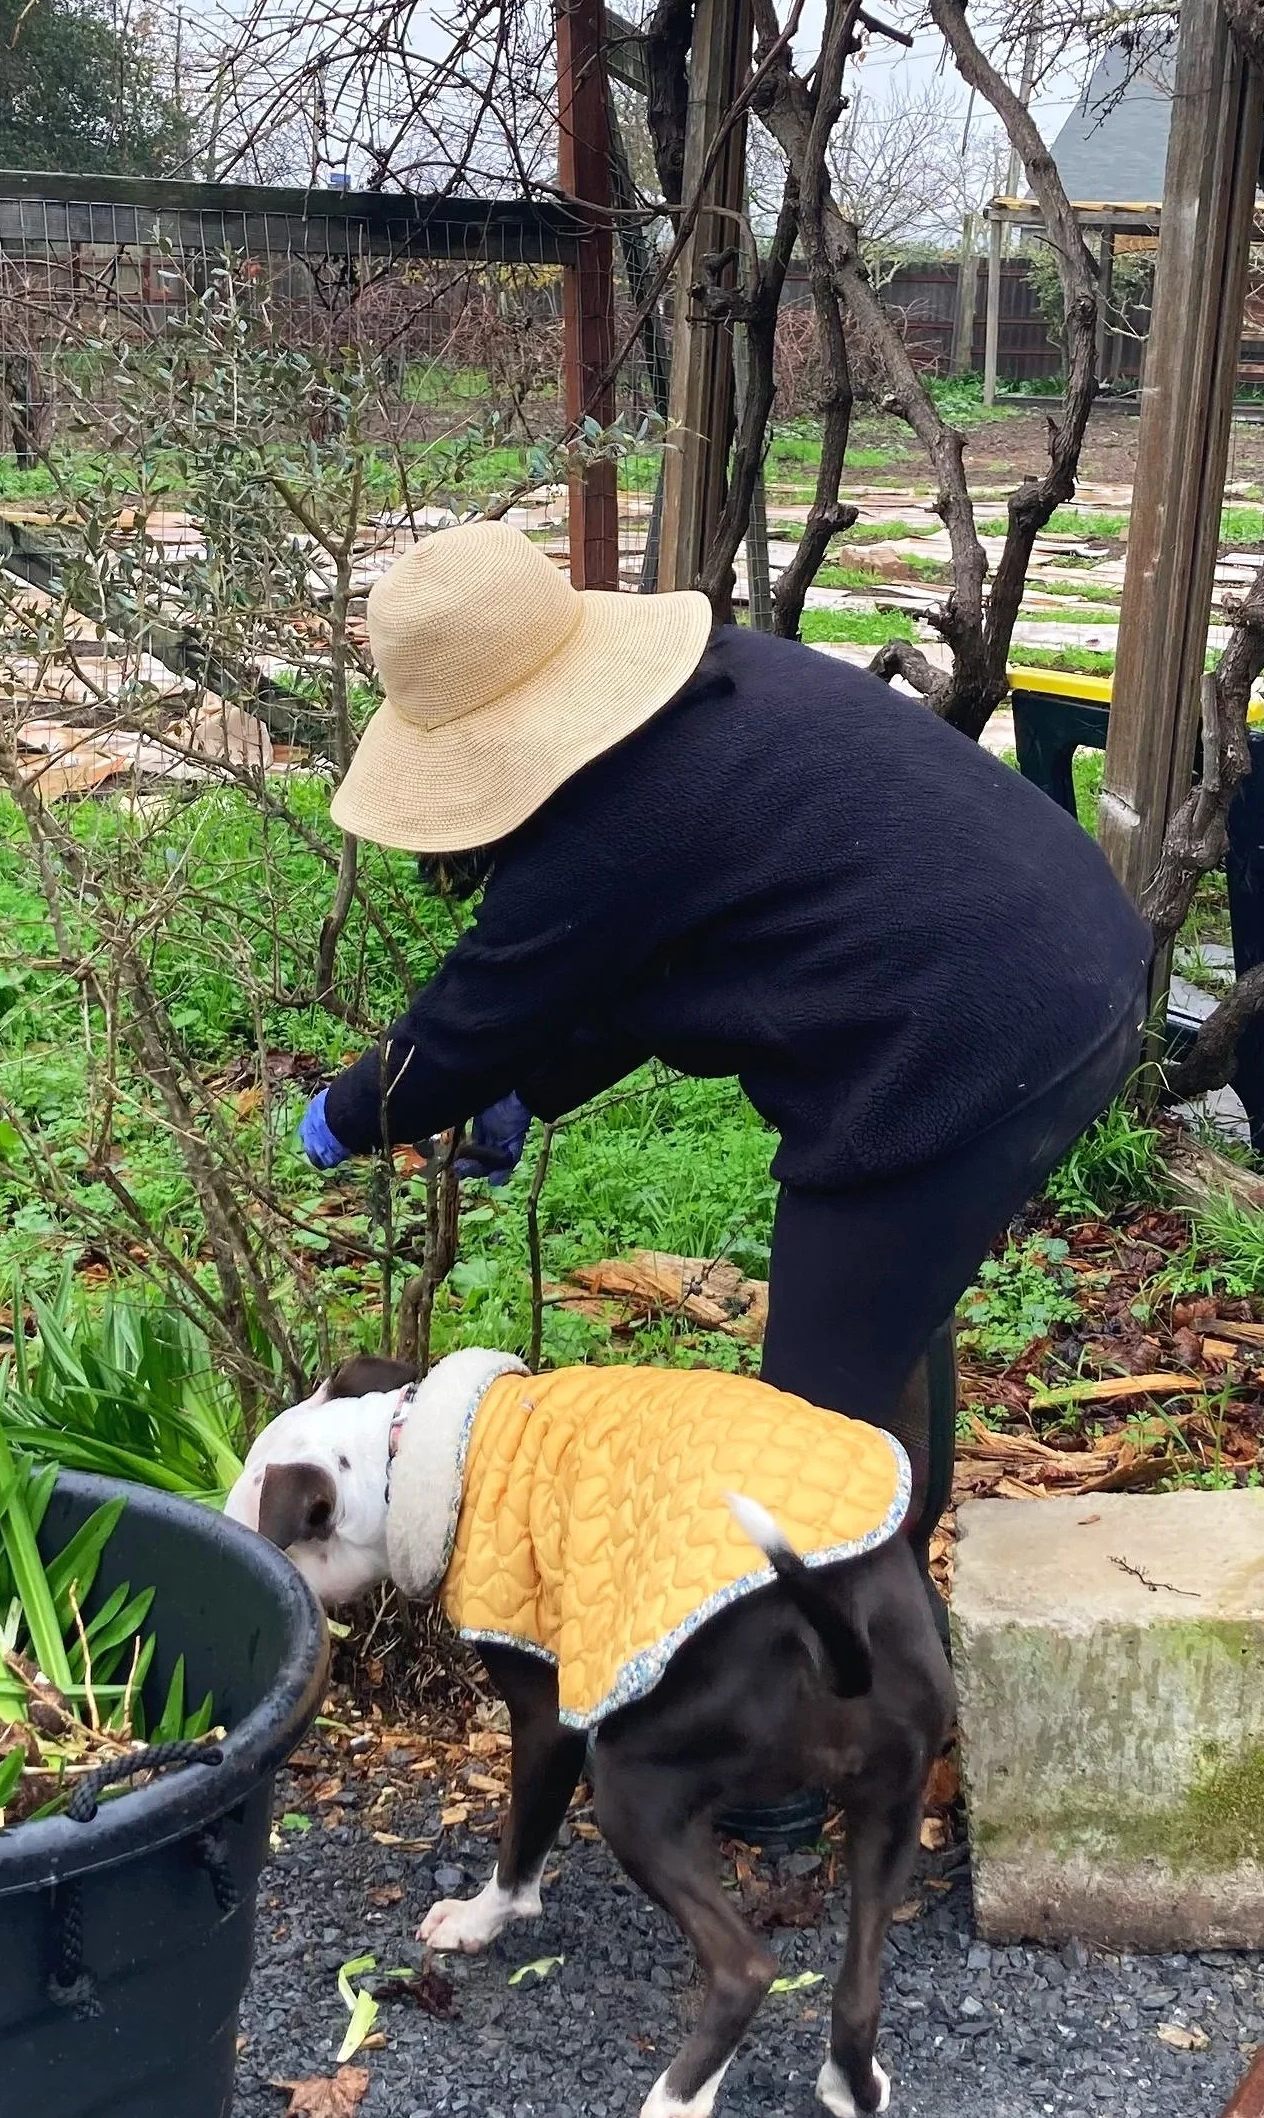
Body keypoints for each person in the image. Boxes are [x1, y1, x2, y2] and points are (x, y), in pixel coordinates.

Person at [298, 517, 1152, 1566]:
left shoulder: (605, 826)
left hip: (962, 1041)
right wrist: (533, 1079)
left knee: (810, 1426)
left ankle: (845, 1638)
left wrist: (352, 1111)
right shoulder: (714, 689)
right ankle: (892, 1582)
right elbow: (646, 964)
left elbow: (476, 1015)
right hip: (1077, 964)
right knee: (890, 1307)